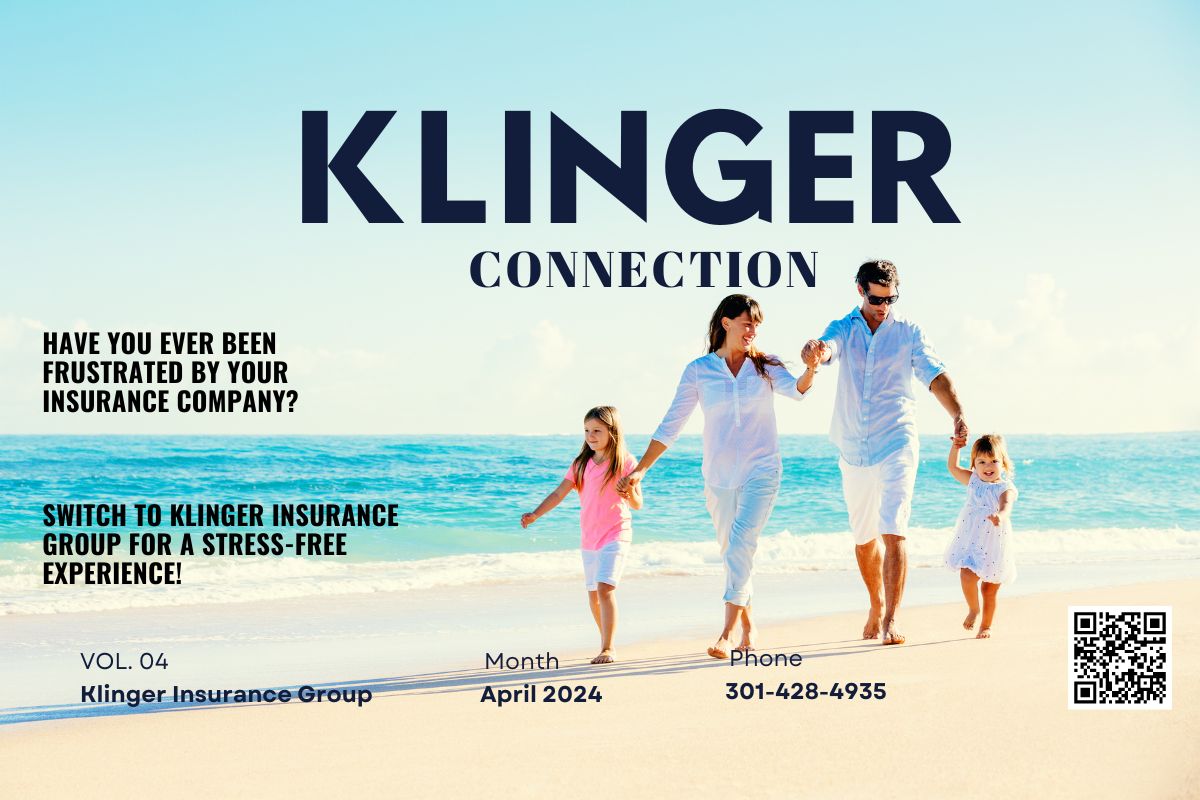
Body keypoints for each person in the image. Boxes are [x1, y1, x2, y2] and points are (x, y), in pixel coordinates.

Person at [617, 294, 820, 659]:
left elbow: (799, 391)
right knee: (733, 552)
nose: (752, 331)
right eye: (747, 323)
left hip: (762, 470)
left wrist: (811, 368)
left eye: (757, 325)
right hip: (719, 476)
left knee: (741, 543)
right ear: (726, 323)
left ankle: (725, 633)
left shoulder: (765, 367)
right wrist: (641, 469)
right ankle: (748, 626)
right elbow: (671, 424)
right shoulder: (699, 370)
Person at [803, 260, 967, 645]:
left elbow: (935, 375)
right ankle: (875, 603)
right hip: (852, 445)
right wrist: (815, 352)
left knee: (894, 529)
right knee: (864, 538)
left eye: (891, 298)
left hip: (897, 438)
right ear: (861, 290)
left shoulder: (908, 332)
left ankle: (892, 619)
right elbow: (826, 349)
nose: (883, 305)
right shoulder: (843, 327)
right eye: (877, 298)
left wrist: (958, 413)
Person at [522, 406, 642, 664]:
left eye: (597, 430)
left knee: (605, 588)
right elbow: (558, 494)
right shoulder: (580, 464)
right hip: (589, 539)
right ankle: (605, 641)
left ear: (613, 432)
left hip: (616, 533)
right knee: (593, 595)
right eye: (587, 430)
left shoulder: (625, 462)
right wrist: (535, 514)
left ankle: (608, 648)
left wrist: (628, 492)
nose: (591, 435)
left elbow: (637, 503)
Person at [944, 433, 1018, 639]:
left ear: (1003, 463)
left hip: (995, 542)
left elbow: (1007, 505)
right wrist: (956, 447)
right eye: (982, 461)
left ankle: (986, 626)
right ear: (974, 464)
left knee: (989, 589)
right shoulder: (973, 481)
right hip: (971, 540)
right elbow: (952, 468)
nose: (988, 466)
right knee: (967, 575)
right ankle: (973, 609)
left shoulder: (1005, 487)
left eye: (994, 461)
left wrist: (1000, 516)